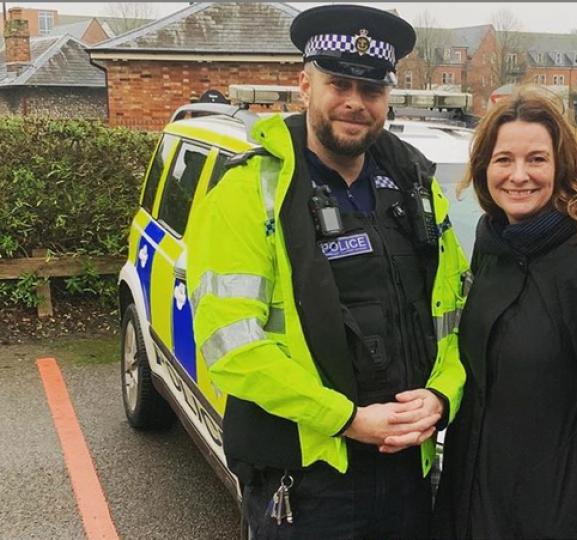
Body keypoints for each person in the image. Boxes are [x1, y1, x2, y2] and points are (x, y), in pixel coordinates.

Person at [185, 5, 469, 540]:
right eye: (338, 83)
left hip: (410, 470)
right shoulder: (248, 195)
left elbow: (455, 317)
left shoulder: (417, 191)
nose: (355, 103)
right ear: (304, 85)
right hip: (309, 483)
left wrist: (441, 398)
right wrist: (345, 418)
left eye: (371, 90)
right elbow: (233, 346)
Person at [431, 86, 577, 540]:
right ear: (484, 170)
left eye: (536, 159)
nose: (518, 175)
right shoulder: (493, 247)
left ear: (561, 167)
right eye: (504, 160)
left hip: (559, 519)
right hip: (480, 505)